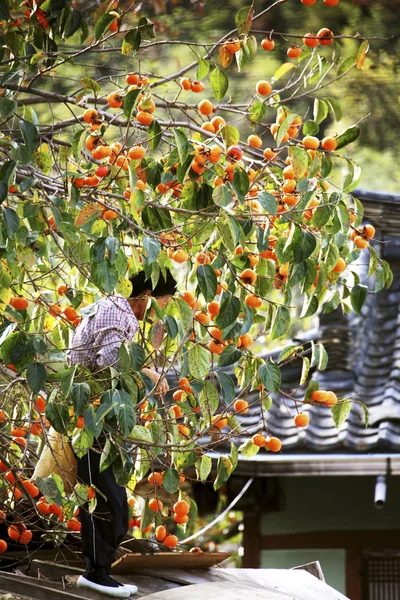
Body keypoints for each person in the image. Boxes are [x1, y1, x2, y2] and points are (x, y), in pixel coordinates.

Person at [68, 270, 177, 598]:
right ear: (146, 295)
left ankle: (98, 571)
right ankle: (95, 573)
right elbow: (111, 364)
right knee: (108, 498)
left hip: (93, 413)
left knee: (105, 494)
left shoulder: (111, 307)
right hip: (92, 416)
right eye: (161, 304)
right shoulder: (120, 312)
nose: (159, 313)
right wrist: (149, 372)